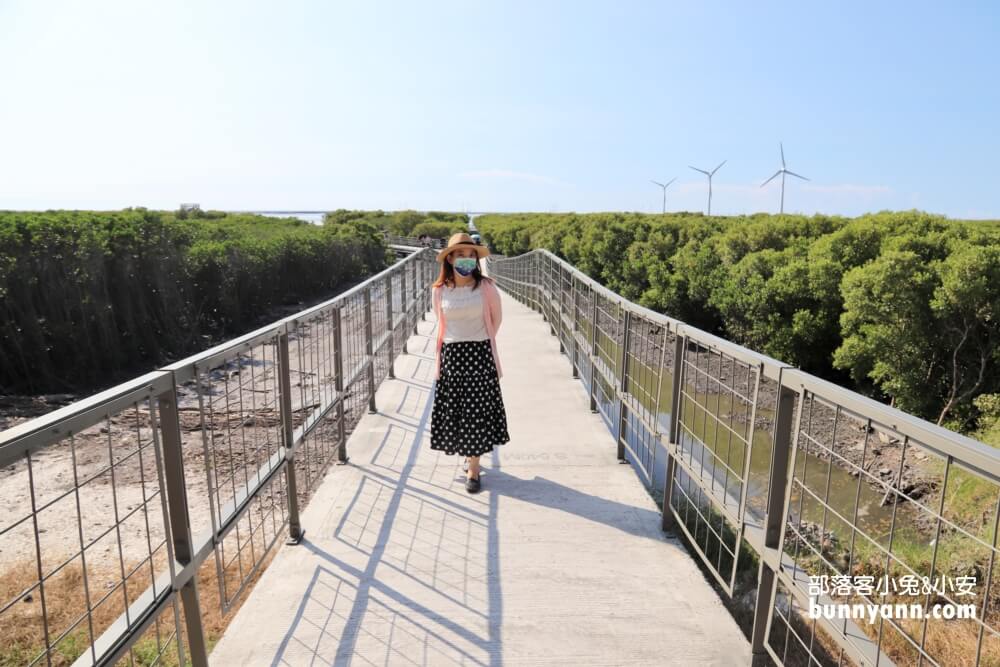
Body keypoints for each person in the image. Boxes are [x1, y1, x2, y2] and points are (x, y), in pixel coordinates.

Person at [430, 232, 510, 493]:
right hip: (452, 356)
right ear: (450, 258)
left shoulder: (486, 287)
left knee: (476, 412)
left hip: (478, 354)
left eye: (471, 255)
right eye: (461, 255)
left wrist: (479, 340)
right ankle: (468, 455)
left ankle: (474, 469)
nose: (467, 260)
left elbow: (496, 319)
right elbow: (441, 323)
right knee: (460, 412)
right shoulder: (440, 291)